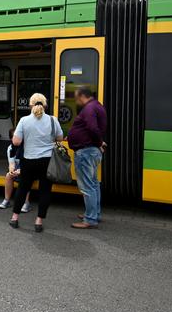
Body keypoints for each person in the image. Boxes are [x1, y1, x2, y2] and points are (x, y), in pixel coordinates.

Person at [9, 93, 63, 233]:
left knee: (23, 189)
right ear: (45, 105)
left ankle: (15, 218)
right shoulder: (53, 120)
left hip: (28, 161)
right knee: (45, 191)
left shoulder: (24, 120)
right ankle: (38, 222)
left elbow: (16, 141)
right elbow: (60, 138)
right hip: (47, 161)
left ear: (30, 105)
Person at [67, 86, 107, 229]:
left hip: (86, 152)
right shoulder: (97, 106)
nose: (76, 101)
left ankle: (90, 219)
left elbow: (92, 128)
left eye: (76, 97)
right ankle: (94, 214)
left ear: (82, 96)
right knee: (94, 184)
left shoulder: (89, 108)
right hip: (90, 150)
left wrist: (99, 142)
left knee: (87, 186)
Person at [0, 128, 31, 212]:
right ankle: (6, 200)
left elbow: (30, 164)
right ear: (11, 139)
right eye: (15, 137)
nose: (18, 139)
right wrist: (12, 171)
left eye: (20, 137)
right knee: (8, 175)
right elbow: (11, 163)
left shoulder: (28, 147)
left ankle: (26, 203)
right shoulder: (10, 148)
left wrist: (21, 170)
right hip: (18, 169)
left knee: (25, 175)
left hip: (30, 168)